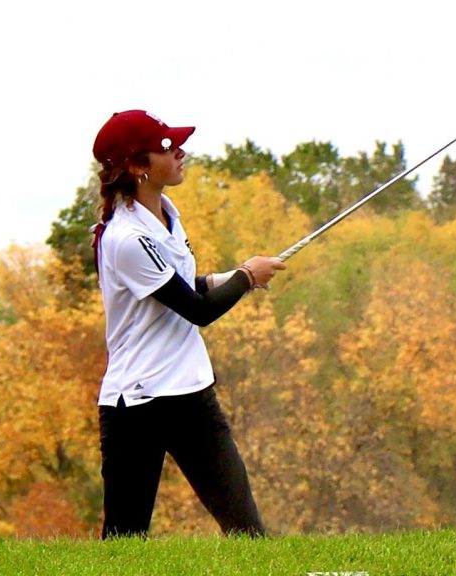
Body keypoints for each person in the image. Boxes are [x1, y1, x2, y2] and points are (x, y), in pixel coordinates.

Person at [90, 109, 285, 538]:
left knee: (246, 531)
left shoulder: (168, 217)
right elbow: (198, 311)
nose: (180, 152)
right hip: (137, 404)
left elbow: (180, 289)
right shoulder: (127, 238)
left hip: (191, 394)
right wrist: (246, 276)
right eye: (166, 148)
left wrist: (231, 278)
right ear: (137, 166)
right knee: (125, 539)